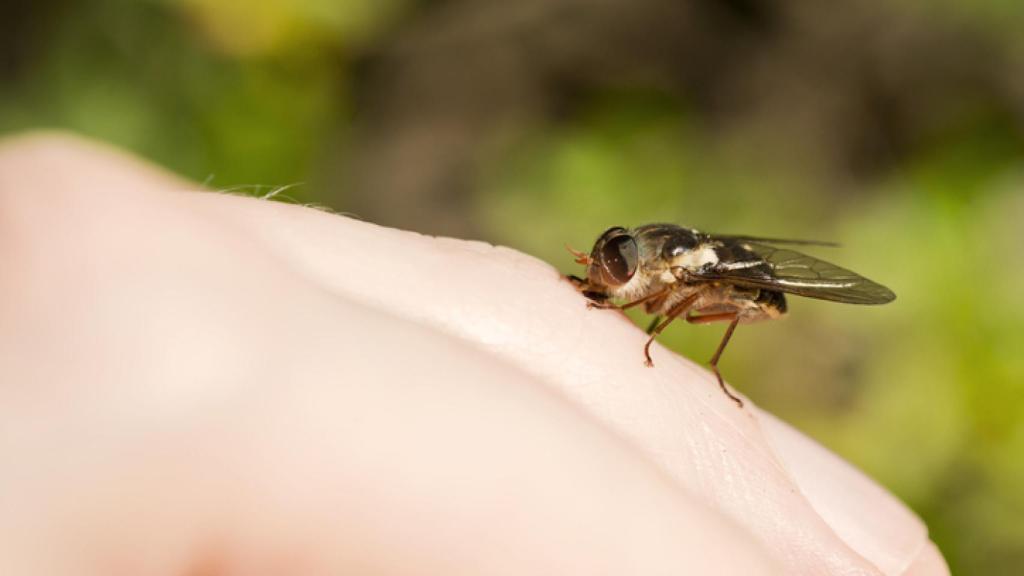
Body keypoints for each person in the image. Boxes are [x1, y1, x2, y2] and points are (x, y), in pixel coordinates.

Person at [0, 133, 947, 574]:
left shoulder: (685, 274)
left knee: (730, 301)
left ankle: (717, 372)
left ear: (648, 265)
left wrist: (664, 337)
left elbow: (704, 282)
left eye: (618, 265)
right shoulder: (640, 260)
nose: (608, 269)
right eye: (609, 263)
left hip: (733, 281)